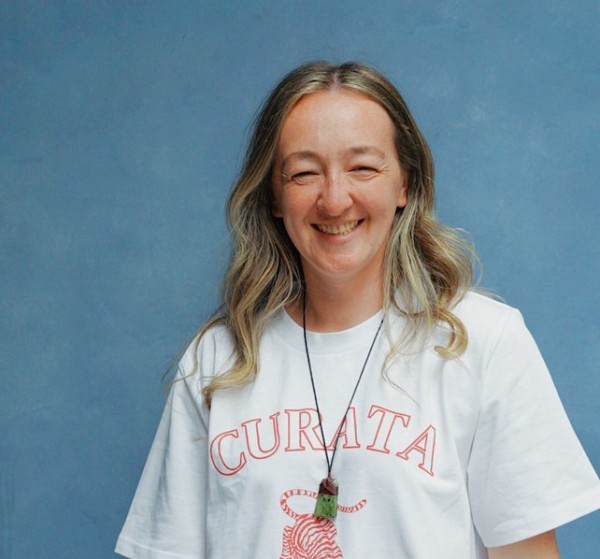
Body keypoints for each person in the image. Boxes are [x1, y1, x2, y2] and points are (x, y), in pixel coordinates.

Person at [116, 62, 600, 559]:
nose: (334, 199)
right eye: (304, 173)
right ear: (275, 197)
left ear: (405, 185)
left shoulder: (483, 341)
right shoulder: (218, 360)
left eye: (363, 168)